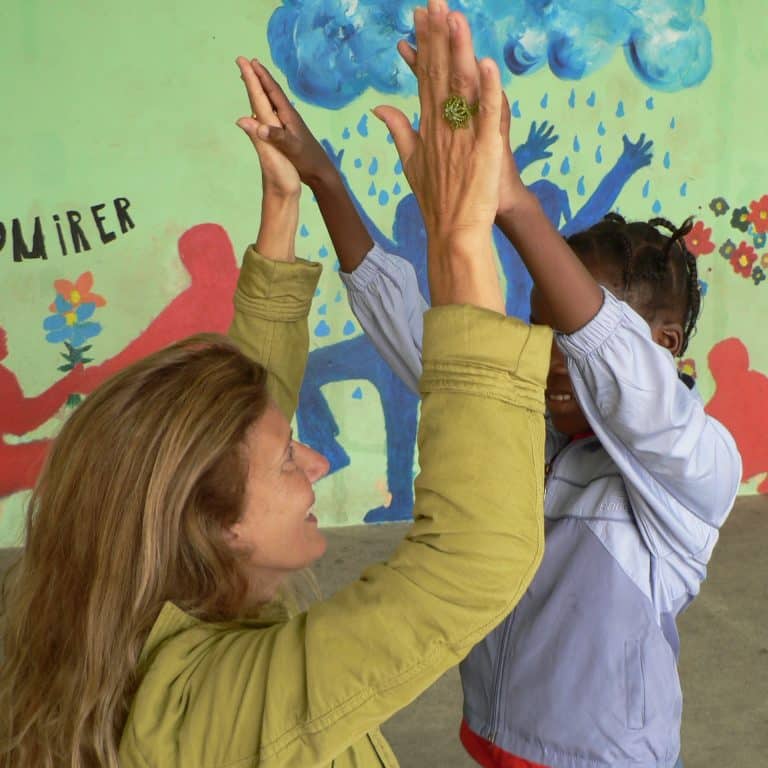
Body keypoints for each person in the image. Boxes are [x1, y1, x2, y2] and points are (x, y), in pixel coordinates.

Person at [0, 3, 552, 766]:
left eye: (296, 449)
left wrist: (288, 199)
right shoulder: (206, 710)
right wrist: (460, 228)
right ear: (217, 531)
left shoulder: (139, 602)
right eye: (291, 457)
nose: (318, 462)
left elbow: (246, 418)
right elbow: (476, 553)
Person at [253, 22, 742, 768]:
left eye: (573, 333)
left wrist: (509, 201)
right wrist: (322, 177)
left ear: (664, 344)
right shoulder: (527, 429)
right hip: (491, 740)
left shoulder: (695, 467)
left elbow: (628, 382)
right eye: (540, 330)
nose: (549, 355)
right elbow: (422, 335)